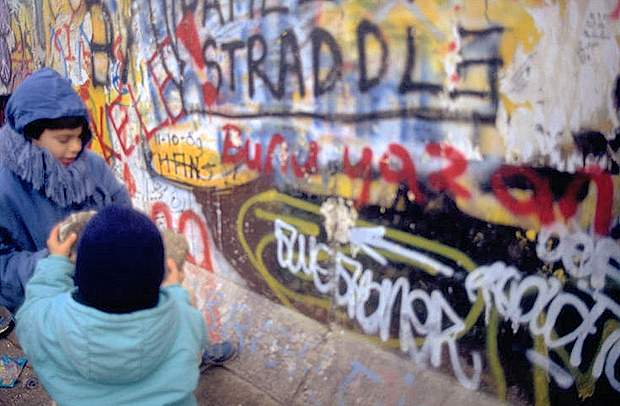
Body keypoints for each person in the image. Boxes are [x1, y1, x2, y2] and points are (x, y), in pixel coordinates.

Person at [16, 205, 208, 405]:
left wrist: (56, 263)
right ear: (160, 275)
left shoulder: (42, 324)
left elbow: (32, 308)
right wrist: (175, 290)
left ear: (80, 273)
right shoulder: (187, 320)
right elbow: (187, 322)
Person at [0, 67, 131, 313]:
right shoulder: (4, 182)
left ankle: (184, 341)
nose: (76, 147)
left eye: (80, 137)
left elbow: (123, 214)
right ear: (30, 135)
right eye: (64, 139)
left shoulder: (92, 166)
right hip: (41, 300)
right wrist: (57, 263)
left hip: (104, 284)